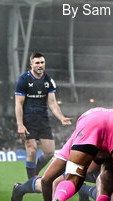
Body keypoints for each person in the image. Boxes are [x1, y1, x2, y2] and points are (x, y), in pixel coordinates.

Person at [14, 52, 71, 180]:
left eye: (42, 62)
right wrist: (20, 124)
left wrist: (61, 118)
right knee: (32, 149)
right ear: (31, 64)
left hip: (43, 120)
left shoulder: (48, 80)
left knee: (50, 152)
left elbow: (52, 103)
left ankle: (34, 171)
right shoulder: (23, 80)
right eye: (37, 63)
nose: (40, 65)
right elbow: (18, 103)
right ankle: (30, 181)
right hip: (27, 120)